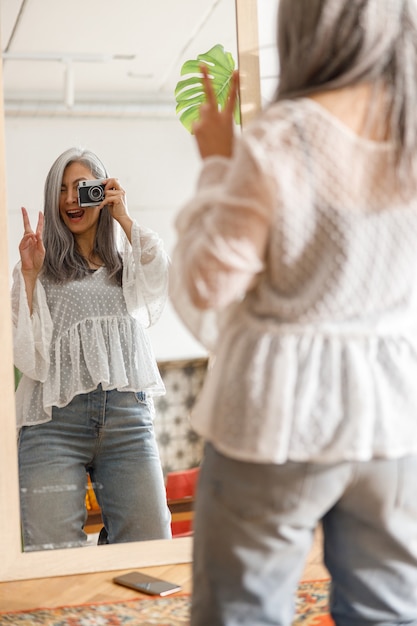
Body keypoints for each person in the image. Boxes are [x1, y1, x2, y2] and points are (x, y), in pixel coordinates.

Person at [169, 1, 417, 624]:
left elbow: (208, 283)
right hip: (392, 419)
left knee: (242, 610)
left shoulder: (285, 134)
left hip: (279, 418)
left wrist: (218, 163)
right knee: (389, 611)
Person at [12, 146, 172, 551]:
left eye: (82, 188)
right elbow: (26, 357)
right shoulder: (39, 265)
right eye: (61, 189)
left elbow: (160, 276)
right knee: (49, 555)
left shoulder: (127, 266)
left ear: (102, 193)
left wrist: (124, 217)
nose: (70, 198)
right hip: (53, 426)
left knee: (150, 544)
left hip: (126, 421)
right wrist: (30, 278)